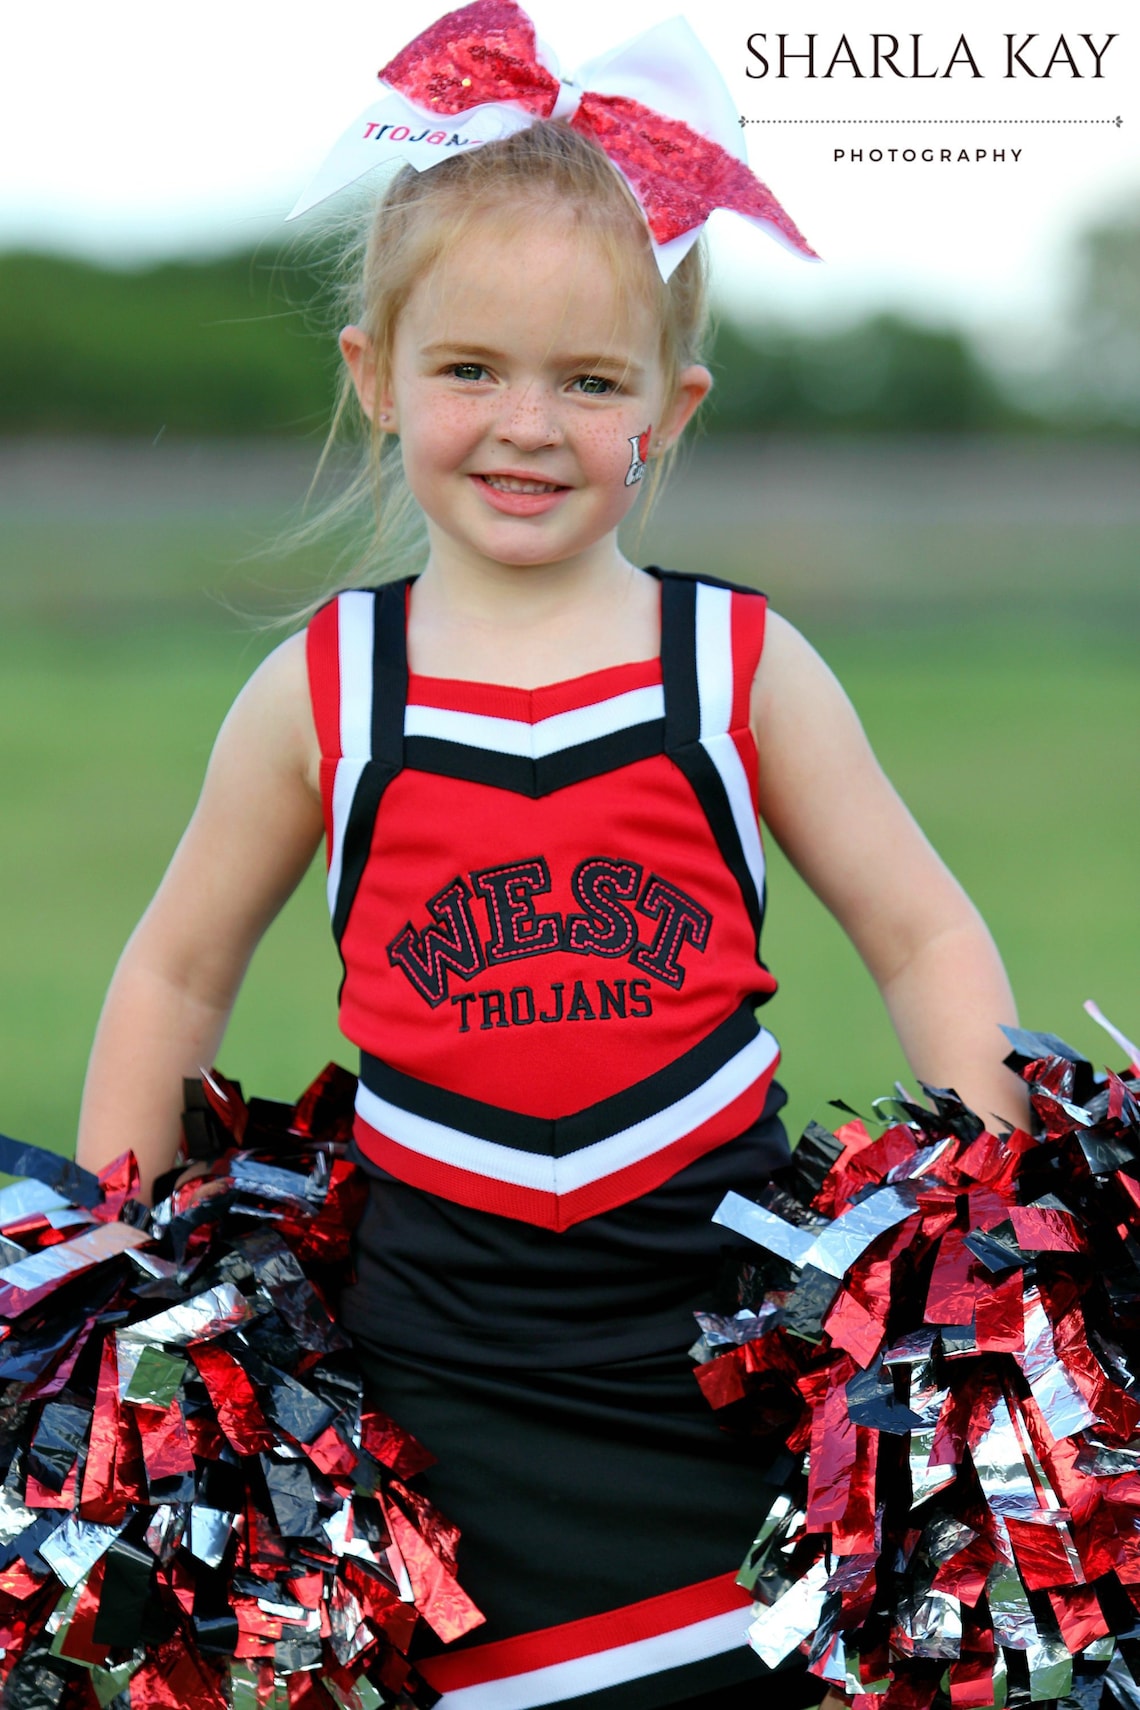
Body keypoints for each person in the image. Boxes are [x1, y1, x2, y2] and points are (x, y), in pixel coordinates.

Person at [75, 7, 1029, 1706]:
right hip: (448, 1350)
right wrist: (115, 1285)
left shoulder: (735, 662)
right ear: (375, 375)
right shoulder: (330, 682)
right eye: (474, 370)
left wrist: (985, 1230)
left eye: (591, 381)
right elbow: (175, 966)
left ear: (672, 404)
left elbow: (922, 930)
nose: (530, 424)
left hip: (721, 1338)